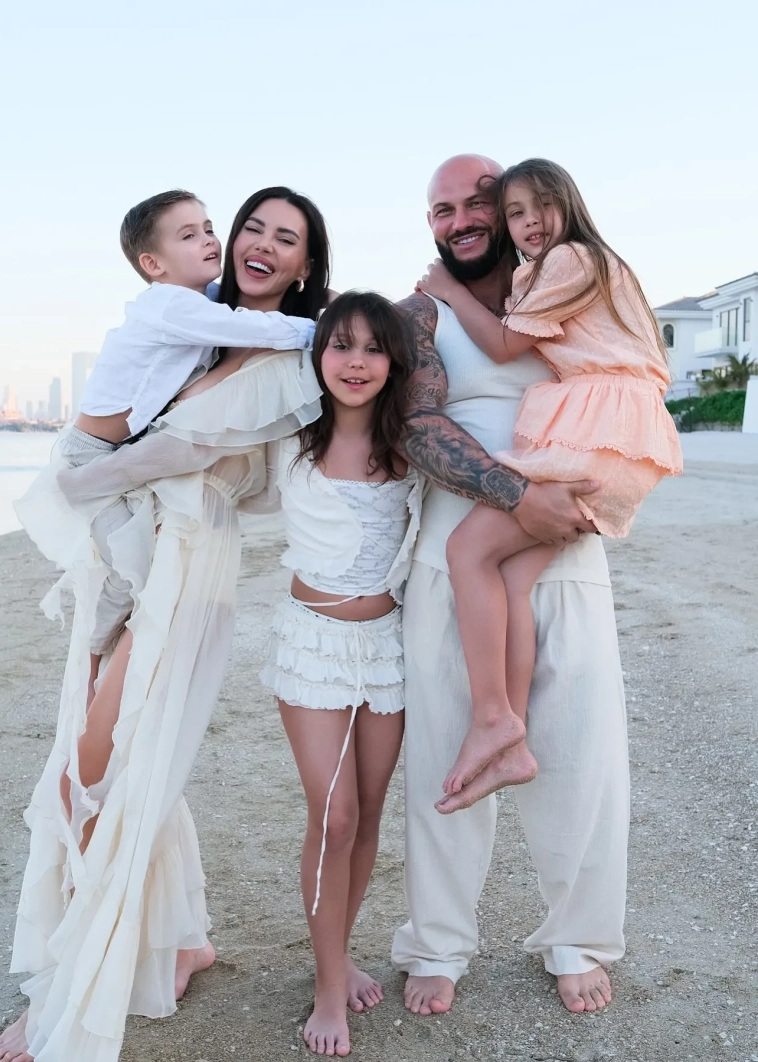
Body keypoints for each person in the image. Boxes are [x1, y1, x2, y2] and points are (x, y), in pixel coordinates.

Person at [0, 187, 331, 1062]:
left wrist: (77, 482)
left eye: (285, 238)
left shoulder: (292, 360)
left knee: (95, 777)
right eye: (249, 227)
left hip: (188, 569)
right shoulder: (197, 333)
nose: (256, 243)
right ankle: (182, 940)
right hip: (139, 559)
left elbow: (206, 464)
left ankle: (66, 993)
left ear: (305, 266)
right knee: (115, 760)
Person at [390, 154, 630, 1018]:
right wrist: (515, 495)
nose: (459, 220)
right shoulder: (421, 312)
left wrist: (584, 494)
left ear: (517, 207)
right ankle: (438, 941)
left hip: (566, 549)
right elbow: (414, 424)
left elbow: (623, 386)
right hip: (454, 553)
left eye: (477, 202)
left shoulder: (566, 286)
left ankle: (579, 936)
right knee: (444, 754)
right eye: (441, 209)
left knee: (581, 753)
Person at [415, 158, 682, 804]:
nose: (530, 222)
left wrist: (448, 291)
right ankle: (510, 738)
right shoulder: (554, 269)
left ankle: (492, 717)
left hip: (604, 434)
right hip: (617, 436)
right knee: (508, 579)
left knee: (465, 551)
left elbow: (505, 345)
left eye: (542, 207)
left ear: (571, 204)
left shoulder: (572, 260)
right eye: (517, 212)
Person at [59, 188, 315, 698]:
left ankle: (105, 652)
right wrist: (320, 330)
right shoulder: (172, 305)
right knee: (133, 567)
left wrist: (322, 296)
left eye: (209, 229)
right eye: (190, 235)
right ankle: (93, 651)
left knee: (136, 564)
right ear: (153, 265)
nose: (209, 241)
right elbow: (245, 323)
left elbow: (230, 303)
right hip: (91, 458)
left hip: (118, 453)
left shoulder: (197, 301)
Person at [259, 291, 421, 1057]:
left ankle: (341, 952)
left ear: (394, 363)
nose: (356, 362)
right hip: (313, 643)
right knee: (335, 816)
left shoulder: (412, 447)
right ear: (317, 355)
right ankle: (328, 989)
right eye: (340, 345)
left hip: (386, 644)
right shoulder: (288, 439)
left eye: (374, 348)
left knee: (370, 811)